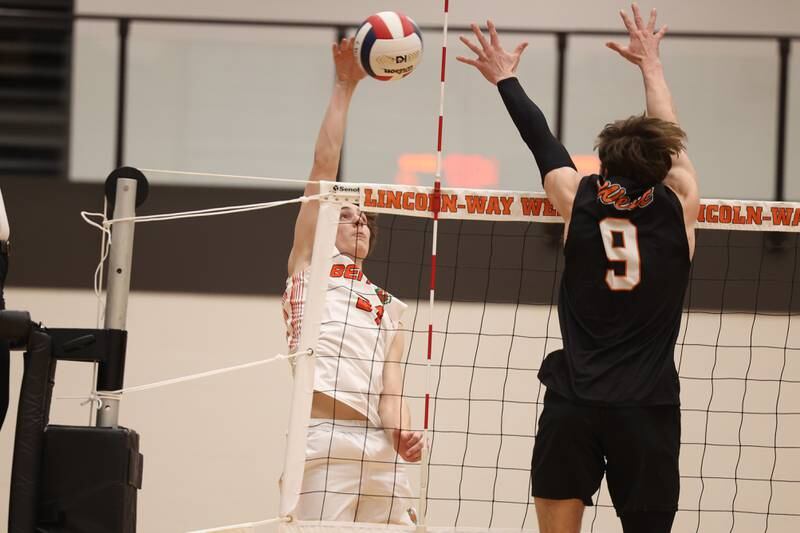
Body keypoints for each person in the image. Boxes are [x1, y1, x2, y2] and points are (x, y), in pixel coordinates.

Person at [457, 4, 698, 533]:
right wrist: (650, 65)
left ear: (603, 165)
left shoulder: (580, 200)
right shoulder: (679, 205)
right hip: (647, 407)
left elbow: (541, 142)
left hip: (575, 403)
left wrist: (506, 78)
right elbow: (672, 141)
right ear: (663, 165)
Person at [282, 37, 423, 525]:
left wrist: (404, 430)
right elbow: (324, 167)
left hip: (382, 452)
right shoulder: (308, 267)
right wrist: (345, 86)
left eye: (365, 218)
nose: (360, 222)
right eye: (347, 214)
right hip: (324, 440)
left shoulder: (390, 305)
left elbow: (392, 389)